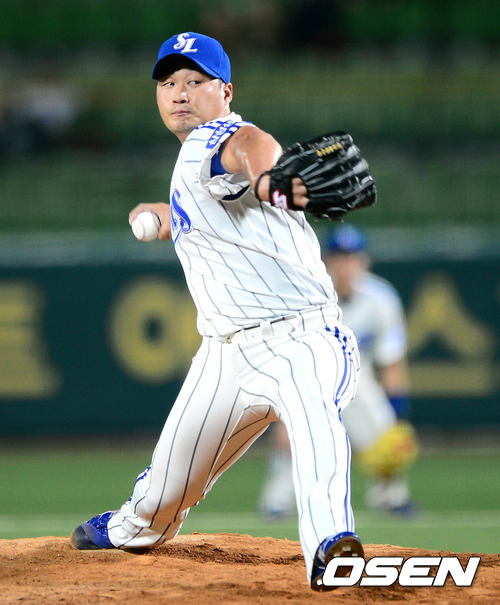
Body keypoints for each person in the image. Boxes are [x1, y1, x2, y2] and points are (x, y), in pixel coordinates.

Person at [69, 32, 365, 592]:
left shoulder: (220, 135)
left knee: (314, 421)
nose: (180, 93)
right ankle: (137, 525)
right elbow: (215, 198)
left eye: (195, 80)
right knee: (165, 490)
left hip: (301, 340)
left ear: (225, 92)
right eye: (168, 83)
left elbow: (250, 147)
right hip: (224, 357)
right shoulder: (192, 164)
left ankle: (333, 546)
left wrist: (270, 178)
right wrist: (166, 215)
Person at [260, 224, 418, 518]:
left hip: (358, 379)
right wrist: (283, 413)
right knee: (294, 439)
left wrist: (399, 418)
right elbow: (287, 360)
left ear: (364, 262)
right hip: (310, 379)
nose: (346, 266)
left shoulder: (382, 299)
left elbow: (391, 362)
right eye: (339, 258)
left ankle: (391, 496)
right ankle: (277, 500)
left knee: (386, 433)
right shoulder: (304, 297)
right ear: (325, 262)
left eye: (352, 258)